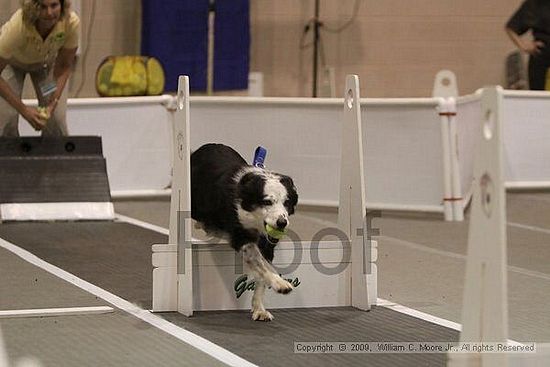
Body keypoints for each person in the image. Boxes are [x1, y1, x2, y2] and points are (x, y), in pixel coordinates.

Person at [0, 0, 80, 136]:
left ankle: (55, 155)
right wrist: (24, 110)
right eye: (43, 7)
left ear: (62, 5)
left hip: (44, 67)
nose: (49, 13)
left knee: (56, 118)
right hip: (12, 65)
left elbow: (64, 65)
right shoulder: (19, 25)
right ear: (34, 7)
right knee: (7, 117)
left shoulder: (70, 23)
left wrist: (52, 103)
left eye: (54, 5)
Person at [505, 0, 550, 90]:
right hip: (541, 53)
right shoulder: (535, 3)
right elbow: (511, 28)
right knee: (538, 97)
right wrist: (524, 46)